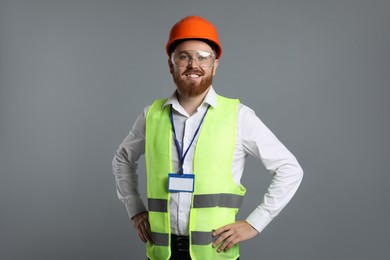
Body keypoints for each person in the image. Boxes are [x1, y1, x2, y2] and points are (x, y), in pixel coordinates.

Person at [112, 15, 303, 260]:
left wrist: (256, 222)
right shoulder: (151, 115)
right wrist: (135, 210)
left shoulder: (239, 116)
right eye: (184, 56)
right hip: (161, 254)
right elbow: (122, 159)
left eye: (203, 57)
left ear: (215, 65)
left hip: (214, 255)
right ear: (171, 64)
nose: (194, 64)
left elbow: (289, 169)